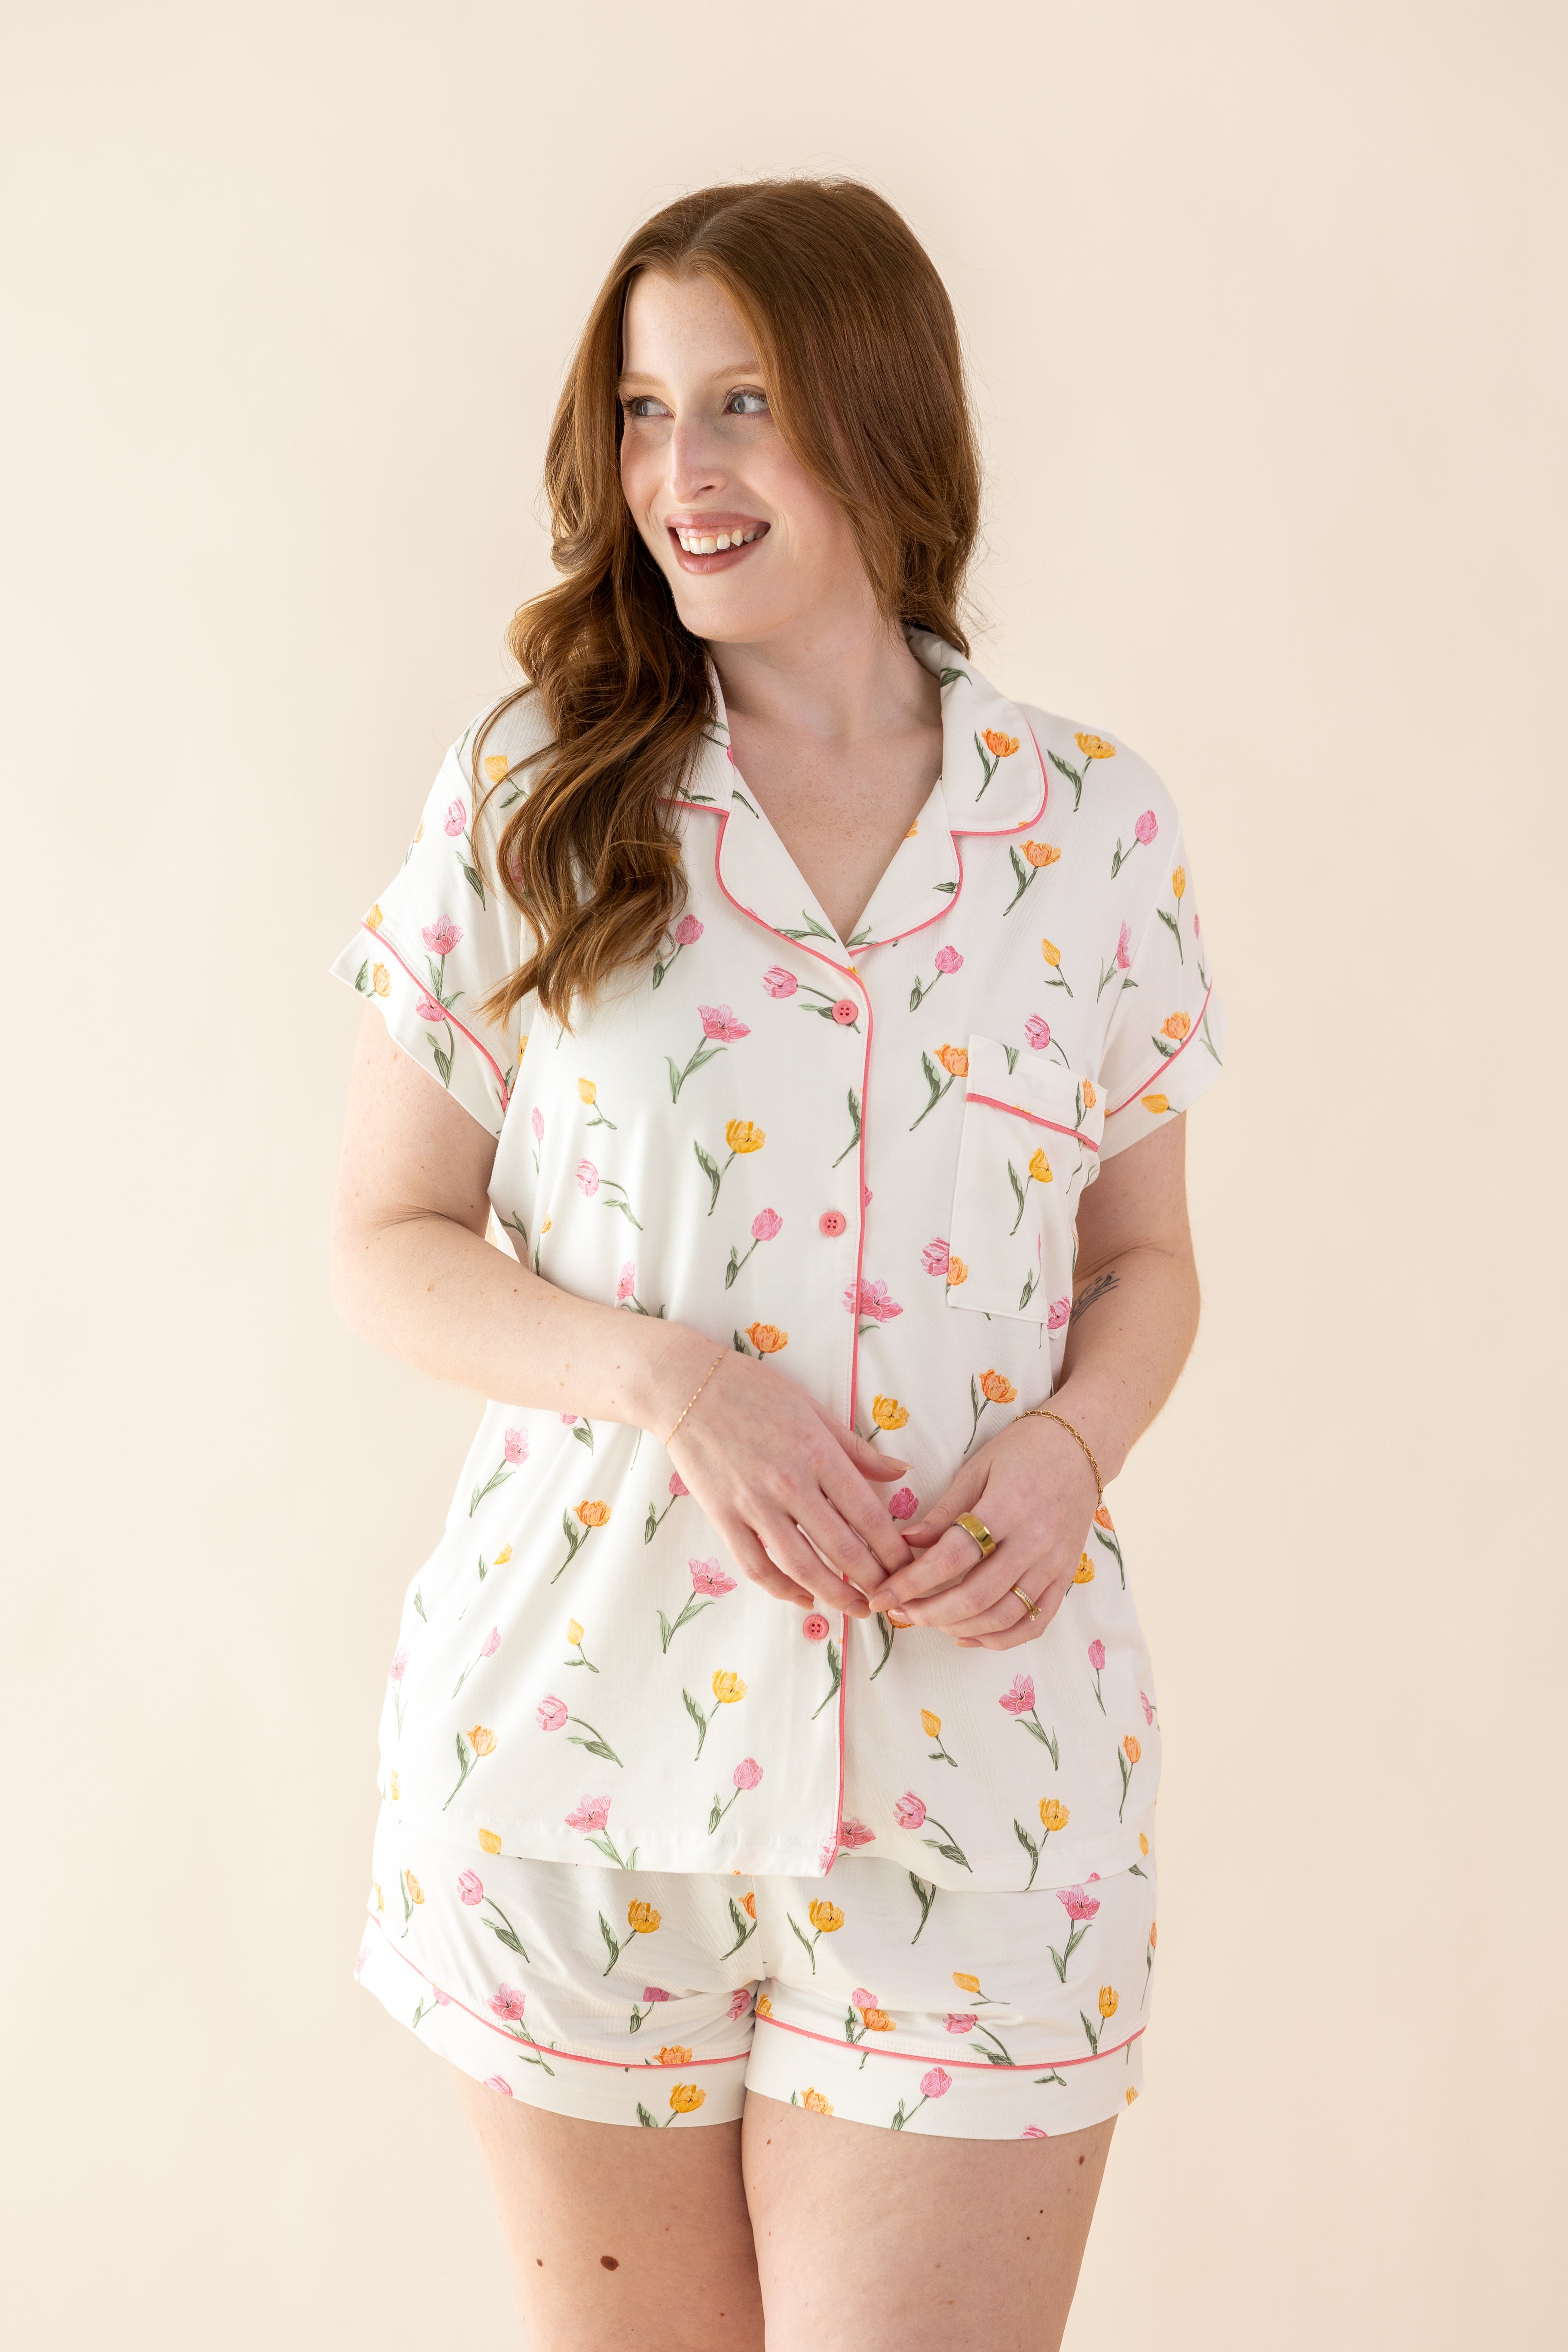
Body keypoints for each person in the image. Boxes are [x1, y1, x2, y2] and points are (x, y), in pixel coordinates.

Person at [327, 176, 1225, 2352]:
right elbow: (386, 1242)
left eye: (742, 404)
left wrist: (1071, 1457)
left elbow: (1149, 1266)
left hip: (983, 1766)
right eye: (644, 414)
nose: (682, 475)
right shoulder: (540, 791)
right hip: (572, 1747)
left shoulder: (1089, 832)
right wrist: (673, 1381)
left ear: (883, 420)